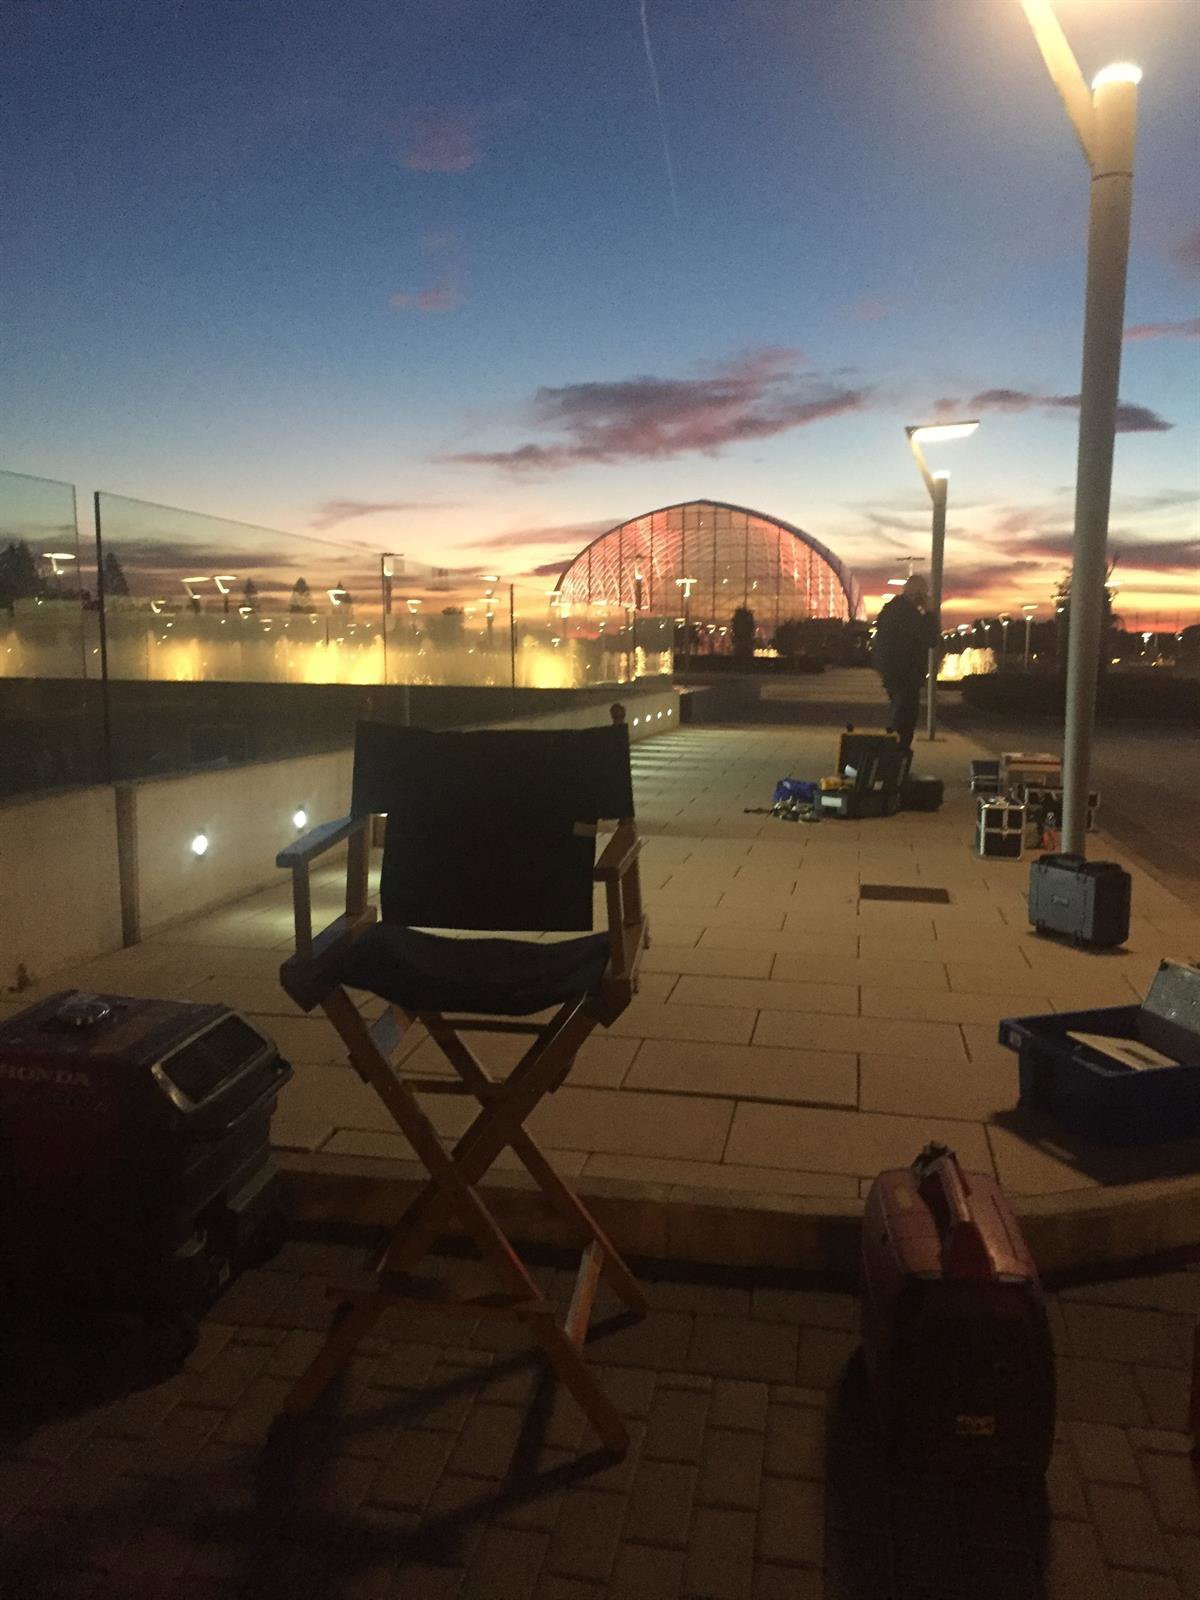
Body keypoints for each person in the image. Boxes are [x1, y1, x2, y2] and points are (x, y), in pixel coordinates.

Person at [872, 574, 940, 748]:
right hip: (906, 673)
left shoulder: (892, 609)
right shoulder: (908, 613)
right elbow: (931, 638)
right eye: (924, 593)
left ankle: (896, 754)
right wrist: (929, 612)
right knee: (905, 720)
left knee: (900, 715)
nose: (926, 597)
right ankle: (897, 755)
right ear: (918, 594)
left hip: (894, 672)